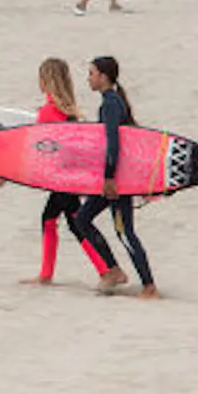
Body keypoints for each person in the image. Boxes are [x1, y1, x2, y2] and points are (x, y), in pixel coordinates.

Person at [21, 58, 115, 286]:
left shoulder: (47, 112)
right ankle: (105, 270)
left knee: (49, 219)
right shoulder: (69, 112)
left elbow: (38, 148)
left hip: (61, 178)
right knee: (73, 221)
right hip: (72, 176)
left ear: (46, 81)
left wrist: (10, 171)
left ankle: (47, 275)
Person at [68, 56, 155, 299]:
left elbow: (113, 143)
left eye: (92, 73)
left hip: (117, 181)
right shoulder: (113, 101)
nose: (89, 78)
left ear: (103, 77)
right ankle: (114, 270)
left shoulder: (110, 104)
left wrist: (109, 177)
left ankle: (149, 287)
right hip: (114, 177)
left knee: (125, 232)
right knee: (82, 218)